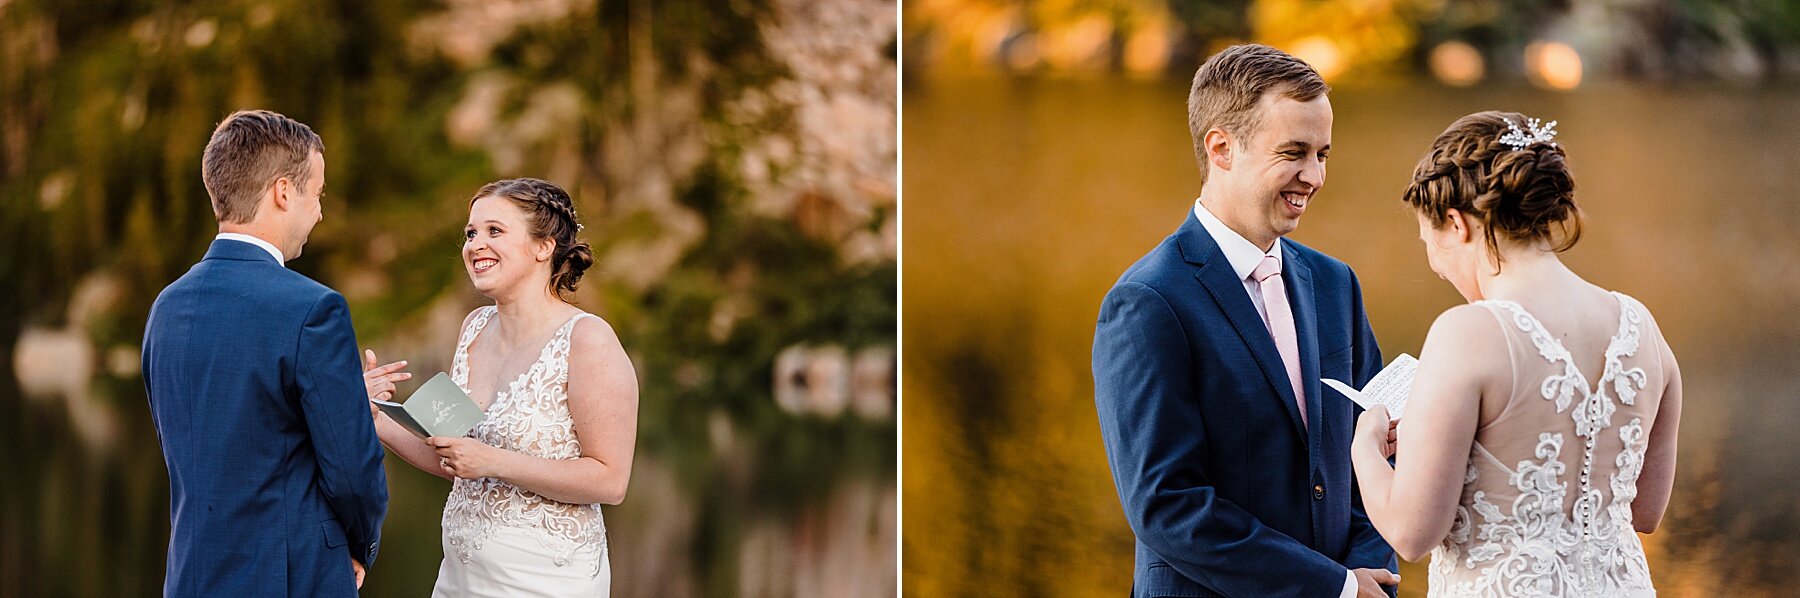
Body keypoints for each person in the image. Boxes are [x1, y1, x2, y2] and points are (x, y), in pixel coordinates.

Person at [1092, 44, 1399, 597]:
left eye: (1323, 154)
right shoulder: (1147, 302)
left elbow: (1372, 454)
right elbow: (1168, 506)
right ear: (1222, 148)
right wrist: (1333, 588)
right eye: (1294, 152)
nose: (1315, 176)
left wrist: (1368, 574)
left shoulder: (1335, 285)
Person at [1349, 111, 1680, 596]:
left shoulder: (1469, 332)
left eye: (1430, 244)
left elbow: (1411, 533)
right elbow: (1645, 513)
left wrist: (1365, 444)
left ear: (1457, 224)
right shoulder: (1641, 327)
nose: (1436, 267)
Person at [142, 109, 388, 596]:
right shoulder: (313, 308)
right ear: (282, 192)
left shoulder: (166, 307)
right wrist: (359, 544)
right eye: (316, 194)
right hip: (290, 576)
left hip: (191, 575)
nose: (319, 212)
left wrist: (343, 400)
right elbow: (352, 475)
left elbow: (219, 431)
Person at [362, 178, 639, 597]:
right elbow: (447, 455)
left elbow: (610, 480)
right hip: (459, 578)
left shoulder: (587, 339)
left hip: (546, 581)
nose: (476, 245)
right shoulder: (474, 329)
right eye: (471, 233)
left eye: (495, 231)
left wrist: (492, 461)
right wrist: (375, 416)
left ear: (543, 246)